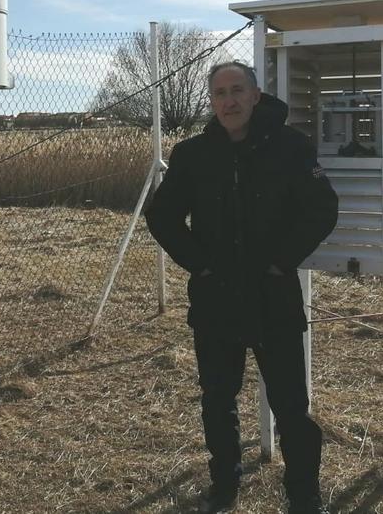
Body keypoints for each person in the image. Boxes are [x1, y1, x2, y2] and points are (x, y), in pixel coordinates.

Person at [145, 61, 338, 514]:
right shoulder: (192, 154)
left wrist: (280, 261)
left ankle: (304, 495)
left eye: (237, 91)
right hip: (216, 298)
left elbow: (322, 209)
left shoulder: (290, 147)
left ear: (255, 96)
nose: (228, 101)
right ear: (211, 101)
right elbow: (162, 216)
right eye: (219, 94)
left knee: (291, 404)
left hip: (274, 295)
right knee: (217, 396)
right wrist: (200, 265)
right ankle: (224, 485)